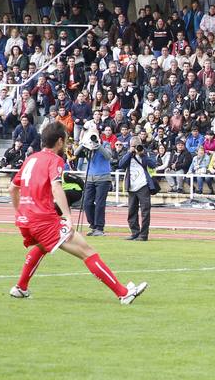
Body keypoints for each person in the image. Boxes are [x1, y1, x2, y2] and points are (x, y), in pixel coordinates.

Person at [8, 121, 146, 304]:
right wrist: (67, 216)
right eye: (65, 139)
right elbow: (57, 187)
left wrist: (19, 212)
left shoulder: (30, 159)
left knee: (42, 247)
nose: (66, 143)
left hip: (28, 220)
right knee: (87, 251)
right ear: (59, 141)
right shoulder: (55, 160)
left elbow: (12, 188)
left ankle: (20, 287)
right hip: (44, 220)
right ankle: (123, 293)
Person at [80, 128, 115, 236]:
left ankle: (99, 227)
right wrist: (84, 143)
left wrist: (98, 145)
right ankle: (93, 225)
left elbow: (108, 156)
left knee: (100, 203)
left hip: (103, 178)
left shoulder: (105, 144)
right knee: (87, 203)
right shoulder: (88, 146)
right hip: (90, 177)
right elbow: (75, 154)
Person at [120, 136, 157, 241]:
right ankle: (135, 232)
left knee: (145, 211)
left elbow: (153, 165)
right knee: (131, 211)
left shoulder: (145, 153)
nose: (136, 148)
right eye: (133, 146)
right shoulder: (127, 154)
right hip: (131, 186)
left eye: (137, 146)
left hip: (143, 185)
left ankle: (144, 235)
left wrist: (143, 154)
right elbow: (121, 164)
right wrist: (129, 153)